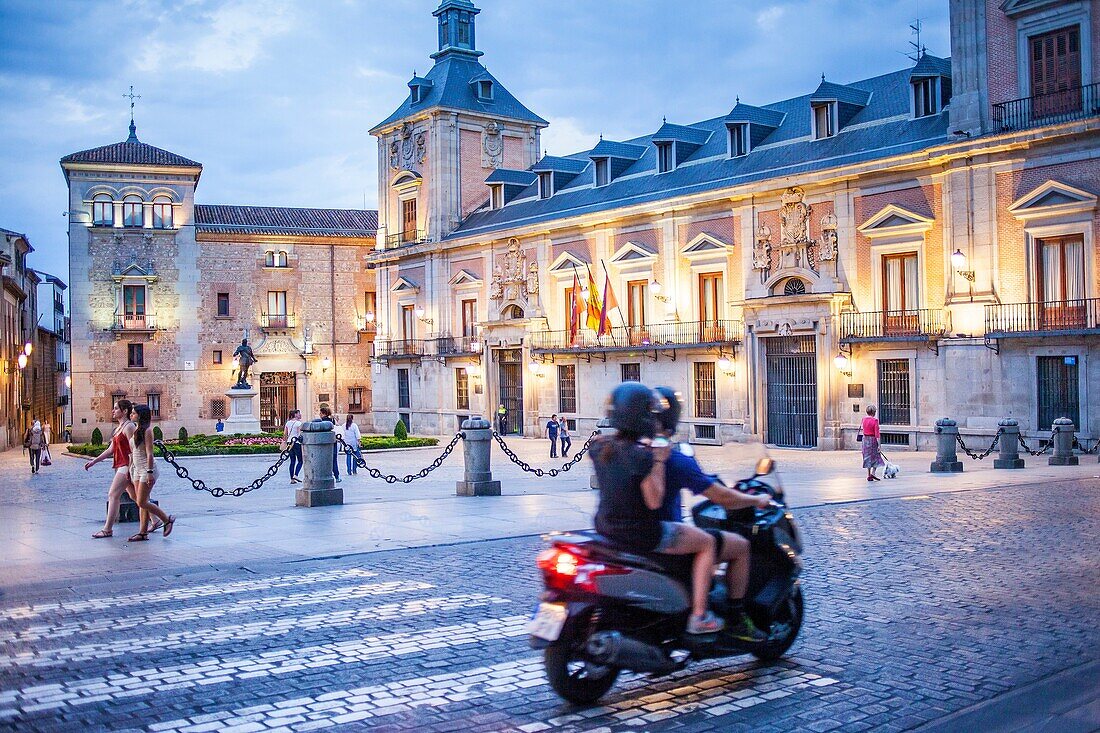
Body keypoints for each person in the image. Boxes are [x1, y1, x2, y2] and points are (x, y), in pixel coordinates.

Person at [591, 382, 723, 635]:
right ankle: (699, 615)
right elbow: (654, 500)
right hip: (643, 532)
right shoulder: (644, 456)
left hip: (607, 527)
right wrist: (659, 460)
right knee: (707, 542)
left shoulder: (600, 448)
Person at [653, 386, 769, 642]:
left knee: (703, 543)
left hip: (629, 533)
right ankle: (729, 618)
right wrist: (756, 499)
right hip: (662, 534)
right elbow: (721, 497)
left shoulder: (625, 450)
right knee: (738, 546)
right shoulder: (673, 458)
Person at [85, 399, 137, 538]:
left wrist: (131, 469)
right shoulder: (119, 428)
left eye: (116, 408)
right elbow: (111, 449)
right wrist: (94, 461)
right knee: (135, 497)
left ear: (124, 411)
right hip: (122, 465)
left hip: (126, 466)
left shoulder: (129, 427)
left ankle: (107, 529)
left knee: (113, 495)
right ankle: (160, 520)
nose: (113, 411)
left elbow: (134, 450)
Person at [127, 404, 175, 542]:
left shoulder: (148, 430)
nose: (131, 415)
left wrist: (149, 472)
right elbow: (133, 452)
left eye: (134, 413)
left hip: (147, 469)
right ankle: (142, 533)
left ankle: (166, 520)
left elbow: (149, 453)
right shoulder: (136, 429)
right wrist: (131, 469)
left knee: (142, 501)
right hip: (136, 469)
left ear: (140, 415)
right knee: (142, 502)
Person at [861, 405, 884, 482]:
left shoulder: (863, 419)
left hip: (865, 440)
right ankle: (873, 473)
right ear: (874, 412)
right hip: (872, 440)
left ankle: (868, 475)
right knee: (876, 457)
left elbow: (863, 429)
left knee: (867, 457)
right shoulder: (875, 421)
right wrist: (879, 445)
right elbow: (877, 434)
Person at [319, 405, 341, 483]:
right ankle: (337, 476)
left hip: (323, 443)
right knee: (334, 460)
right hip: (333, 442)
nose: (319, 414)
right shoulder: (332, 420)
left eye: (320, 413)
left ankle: (325, 476)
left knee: (323, 460)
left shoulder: (320, 422)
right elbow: (338, 427)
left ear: (323, 413)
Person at [284, 410, 304, 483]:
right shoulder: (298, 423)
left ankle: (292, 479)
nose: (300, 415)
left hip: (289, 443)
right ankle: (296, 474)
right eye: (299, 413)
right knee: (300, 460)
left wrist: (285, 442)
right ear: (295, 414)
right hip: (296, 443)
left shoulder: (288, 423)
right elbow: (299, 434)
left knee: (292, 461)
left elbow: (285, 434)